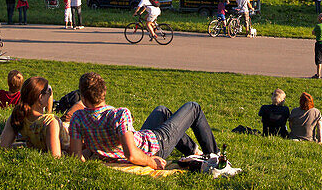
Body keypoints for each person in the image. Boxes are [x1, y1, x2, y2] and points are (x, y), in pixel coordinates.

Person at [67, 71, 218, 168]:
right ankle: (217, 158)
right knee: (193, 107)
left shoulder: (78, 119)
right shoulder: (119, 114)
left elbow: (76, 155)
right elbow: (131, 154)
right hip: (155, 146)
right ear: (104, 92)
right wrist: (151, 161)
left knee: (162, 111)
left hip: (138, 138)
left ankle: (192, 150)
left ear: (84, 98)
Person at [0, 77, 69, 157]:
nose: (50, 95)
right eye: (48, 92)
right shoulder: (50, 121)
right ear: (41, 97)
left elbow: (3, 145)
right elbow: (55, 156)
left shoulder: (17, 116)